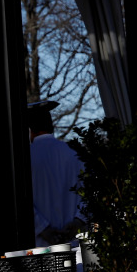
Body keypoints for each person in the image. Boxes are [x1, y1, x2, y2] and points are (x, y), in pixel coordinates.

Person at [27, 100, 85, 246]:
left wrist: (43, 228)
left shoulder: (25, 158)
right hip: (74, 244)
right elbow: (90, 193)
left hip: (40, 246)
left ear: (30, 130)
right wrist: (78, 221)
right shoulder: (74, 154)